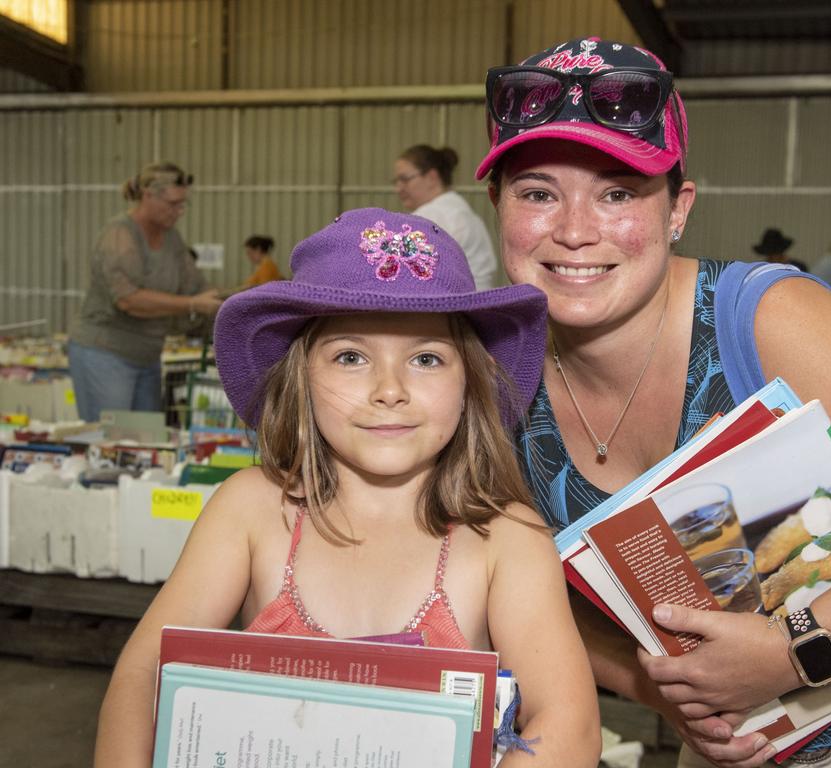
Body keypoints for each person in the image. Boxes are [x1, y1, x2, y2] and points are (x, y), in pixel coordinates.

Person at [477, 36, 831, 767]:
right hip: (737, 746)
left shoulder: (762, 319)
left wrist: (792, 649)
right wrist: (655, 683)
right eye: (538, 193)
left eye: (618, 192)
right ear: (498, 207)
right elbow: (522, 590)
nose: (575, 230)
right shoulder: (498, 381)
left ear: (679, 208)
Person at [93, 208, 601, 768]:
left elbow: (568, 726)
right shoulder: (250, 511)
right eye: (351, 357)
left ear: (470, 381)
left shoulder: (506, 537)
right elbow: (143, 674)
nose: (390, 389)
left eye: (427, 358)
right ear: (300, 377)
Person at [67, 162, 222, 422]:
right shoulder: (120, 235)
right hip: (106, 354)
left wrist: (239, 300)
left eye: (184, 204)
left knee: (146, 439)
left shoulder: (172, 239)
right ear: (148, 195)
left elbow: (196, 285)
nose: (180, 211)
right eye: (173, 203)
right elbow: (128, 299)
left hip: (148, 356)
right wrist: (192, 304)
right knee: (111, 441)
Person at [394, 144, 501, 289]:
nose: (398, 188)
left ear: (432, 177)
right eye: (396, 181)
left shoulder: (430, 216)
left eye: (405, 179)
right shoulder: (460, 210)